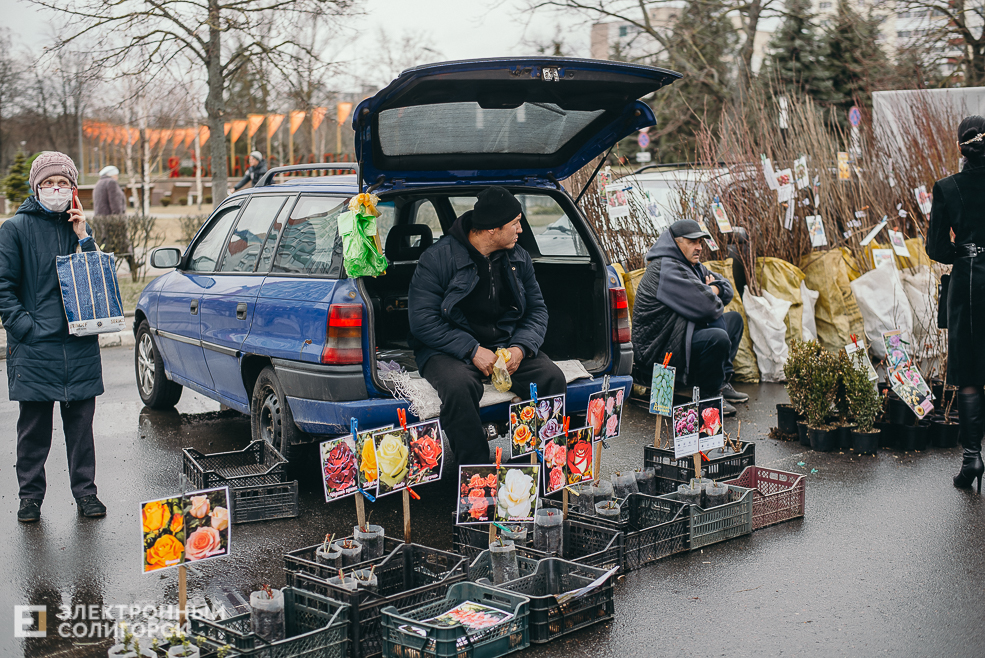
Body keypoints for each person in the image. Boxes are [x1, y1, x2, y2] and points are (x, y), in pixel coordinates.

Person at [408, 186, 566, 464]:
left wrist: (521, 347)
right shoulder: (437, 259)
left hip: (504, 345)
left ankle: (532, 471)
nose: (521, 230)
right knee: (458, 387)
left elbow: (537, 310)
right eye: (516, 223)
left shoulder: (519, 257)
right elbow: (423, 322)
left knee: (551, 377)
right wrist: (471, 350)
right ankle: (476, 475)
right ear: (493, 229)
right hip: (448, 349)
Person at [0, 151, 107, 522]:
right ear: (36, 187)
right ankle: (30, 498)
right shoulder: (14, 229)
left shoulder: (79, 229)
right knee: (33, 430)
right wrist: (25, 329)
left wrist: (85, 237)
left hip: (79, 345)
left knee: (81, 429)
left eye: (63, 183)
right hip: (34, 346)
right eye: (49, 183)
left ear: (74, 189)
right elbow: (4, 288)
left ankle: (86, 494)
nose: (56, 189)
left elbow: (98, 286)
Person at [632, 219, 748, 415]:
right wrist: (711, 291)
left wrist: (713, 288)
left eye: (700, 242)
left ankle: (722, 383)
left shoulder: (692, 266)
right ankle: (709, 398)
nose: (699, 247)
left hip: (681, 334)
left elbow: (727, 289)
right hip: (661, 349)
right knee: (717, 338)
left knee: (734, 320)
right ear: (675, 243)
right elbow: (708, 307)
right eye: (692, 242)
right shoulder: (666, 269)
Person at [927, 114, 985, 493]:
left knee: (969, 374)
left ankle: (972, 458)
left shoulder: (948, 187)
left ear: (961, 148)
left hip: (968, 282)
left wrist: (961, 253)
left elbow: (935, 248)